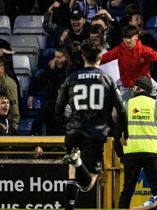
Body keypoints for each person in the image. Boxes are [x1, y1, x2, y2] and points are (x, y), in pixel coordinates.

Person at [55, 39, 129, 210]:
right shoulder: (107, 79)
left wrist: (67, 124)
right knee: (88, 184)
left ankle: (69, 207)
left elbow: (58, 109)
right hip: (95, 134)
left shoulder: (71, 78)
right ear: (100, 58)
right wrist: (126, 133)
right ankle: (78, 162)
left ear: (83, 56)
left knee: (72, 174)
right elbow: (122, 110)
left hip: (73, 131)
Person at [118, 76, 157, 208]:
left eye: (135, 86)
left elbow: (117, 132)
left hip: (131, 153)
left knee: (127, 190)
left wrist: (121, 153)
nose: (132, 88)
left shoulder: (126, 105)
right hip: (153, 153)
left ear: (140, 88)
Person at [100, 25, 157, 104]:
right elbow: (101, 59)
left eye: (130, 38)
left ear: (136, 37)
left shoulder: (146, 51)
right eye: (125, 38)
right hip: (127, 88)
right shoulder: (119, 50)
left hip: (146, 85)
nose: (127, 41)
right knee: (124, 112)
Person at [27, 46, 76, 135]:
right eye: (55, 57)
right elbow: (41, 81)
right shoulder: (52, 68)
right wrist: (31, 94)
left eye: (60, 57)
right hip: (53, 103)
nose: (57, 60)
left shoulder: (74, 69)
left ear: (67, 57)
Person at [0, 57, 19, 131]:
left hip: (5, 123)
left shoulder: (9, 85)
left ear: (2, 70)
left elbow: (14, 111)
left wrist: (12, 128)